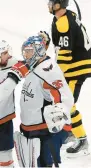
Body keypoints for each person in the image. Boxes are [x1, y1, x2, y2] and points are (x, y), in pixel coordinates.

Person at [14, 36, 74, 167]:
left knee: (43, 164)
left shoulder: (49, 71)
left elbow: (65, 97)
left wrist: (59, 111)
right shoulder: (35, 65)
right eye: (25, 51)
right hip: (32, 128)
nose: (26, 54)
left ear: (39, 51)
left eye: (29, 51)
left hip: (43, 131)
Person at [47, 0, 91, 156]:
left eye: (52, 2)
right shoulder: (66, 17)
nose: (49, 4)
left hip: (76, 68)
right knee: (64, 101)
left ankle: (82, 138)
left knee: (68, 103)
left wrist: (56, 73)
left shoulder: (64, 23)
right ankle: (71, 131)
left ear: (59, 5)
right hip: (77, 65)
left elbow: (65, 54)